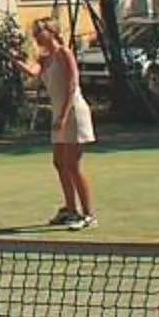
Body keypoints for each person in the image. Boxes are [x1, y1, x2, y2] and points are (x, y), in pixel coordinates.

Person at [27, 18, 96, 230]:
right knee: (59, 163)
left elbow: (72, 84)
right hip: (59, 113)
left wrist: (64, 116)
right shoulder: (44, 58)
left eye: (40, 31)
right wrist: (12, 58)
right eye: (35, 33)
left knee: (73, 165)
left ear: (51, 32)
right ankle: (71, 209)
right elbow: (31, 73)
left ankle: (88, 214)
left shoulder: (64, 53)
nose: (36, 36)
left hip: (73, 112)